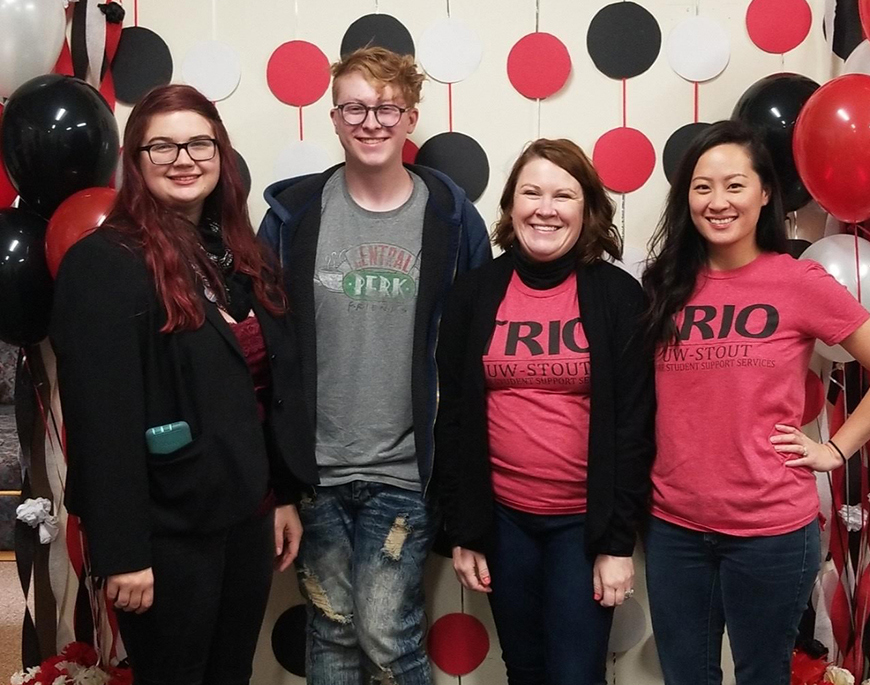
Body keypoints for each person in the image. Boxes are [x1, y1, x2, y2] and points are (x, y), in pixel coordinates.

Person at [50, 84, 318, 685]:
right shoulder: (105, 263)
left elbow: (262, 394)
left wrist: (279, 496)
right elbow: (101, 420)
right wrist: (123, 554)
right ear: (137, 162)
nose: (184, 158)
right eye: (162, 146)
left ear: (221, 155)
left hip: (246, 516)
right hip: (167, 532)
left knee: (230, 675)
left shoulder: (238, 257)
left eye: (199, 143)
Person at [257, 46, 490, 684]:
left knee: (388, 637)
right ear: (333, 117)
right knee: (330, 632)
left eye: (386, 108)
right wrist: (278, 481)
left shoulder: (449, 217)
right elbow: (270, 358)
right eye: (355, 107)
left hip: (406, 472)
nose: (371, 122)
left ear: (411, 117)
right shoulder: (292, 217)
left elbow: (473, 352)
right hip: (316, 472)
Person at [641, 120, 870, 685]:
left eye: (735, 185)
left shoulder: (796, 281)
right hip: (673, 527)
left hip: (770, 533)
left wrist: (835, 449)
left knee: (761, 675)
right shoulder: (664, 284)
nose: (718, 201)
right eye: (702, 186)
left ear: (764, 193)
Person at [434, 138, 656, 685]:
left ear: (589, 209)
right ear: (512, 206)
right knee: (525, 670)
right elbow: (456, 417)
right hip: (503, 521)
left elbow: (634, 427)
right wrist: (465, 531)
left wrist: (615, 544)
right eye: (531, 192)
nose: (546, 208)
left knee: (577, 674)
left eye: (564, 195)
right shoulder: (475, 292)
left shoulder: (618, 297)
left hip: (583, 527)